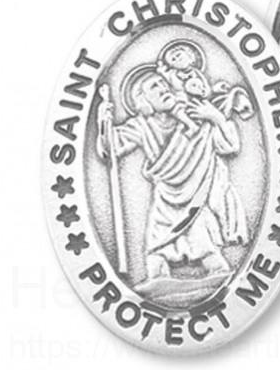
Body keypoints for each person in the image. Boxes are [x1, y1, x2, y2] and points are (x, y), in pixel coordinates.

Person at [97, 66, 248, 286]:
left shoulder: (195, 115)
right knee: (156, 256)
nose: (163, 89)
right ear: (143, 99)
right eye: (154, 87)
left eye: (163, 83)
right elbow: (109, 148)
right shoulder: (141, 126)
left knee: (210, 255)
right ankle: (158, 288)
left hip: (196, 200)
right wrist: (104, 122)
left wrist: (216, 118)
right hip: (165, 203)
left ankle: (218, 286)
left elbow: (230, 146)